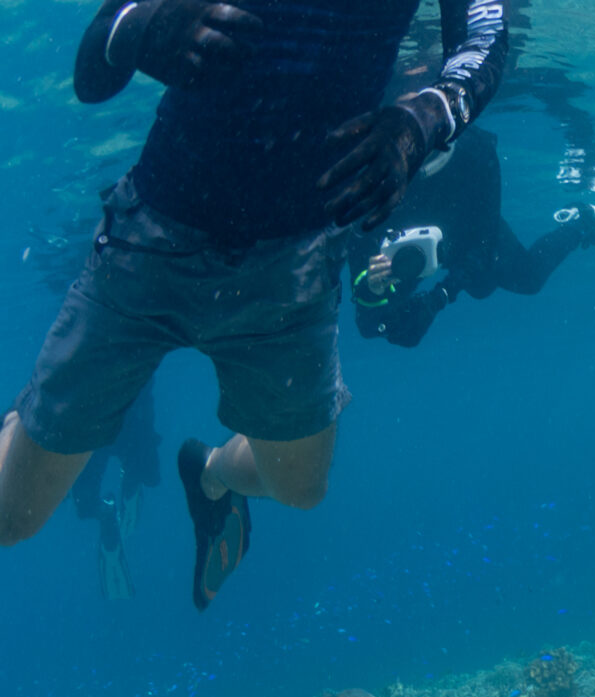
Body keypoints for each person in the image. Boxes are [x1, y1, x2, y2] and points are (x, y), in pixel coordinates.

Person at [0, 0, 508, 608]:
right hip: (153, 243)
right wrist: (142, 29)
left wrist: (425, 118)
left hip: (292, 266)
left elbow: (484, 38)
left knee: (300, 487)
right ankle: (19, 426)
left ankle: (209, 473)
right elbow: (91, 72)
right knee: (13, 516)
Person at [351, 126, 595, 348]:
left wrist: (440, 298)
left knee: (522, 279)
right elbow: (367, 318)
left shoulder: (475, 153)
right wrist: (374, 290)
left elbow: (482, 242)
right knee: (391, 323)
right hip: (407, 260)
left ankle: (582, 223)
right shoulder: (367, 180)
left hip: (470, 231)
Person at [70, 373, 160, 599]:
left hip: (96, 414)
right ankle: (114, 506)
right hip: (109, 412)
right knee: (86, 503)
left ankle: (123, 492)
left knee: (86, 502)